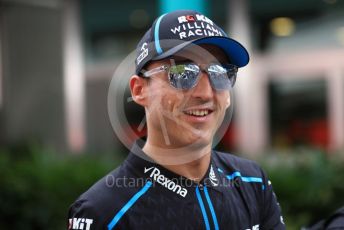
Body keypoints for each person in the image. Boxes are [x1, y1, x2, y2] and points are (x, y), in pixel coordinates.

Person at [67, 9, 286, 230]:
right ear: (139, 90)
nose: (205, 93)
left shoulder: (252, 182)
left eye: (219, 72)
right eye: (182, 72)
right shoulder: (105, 212)